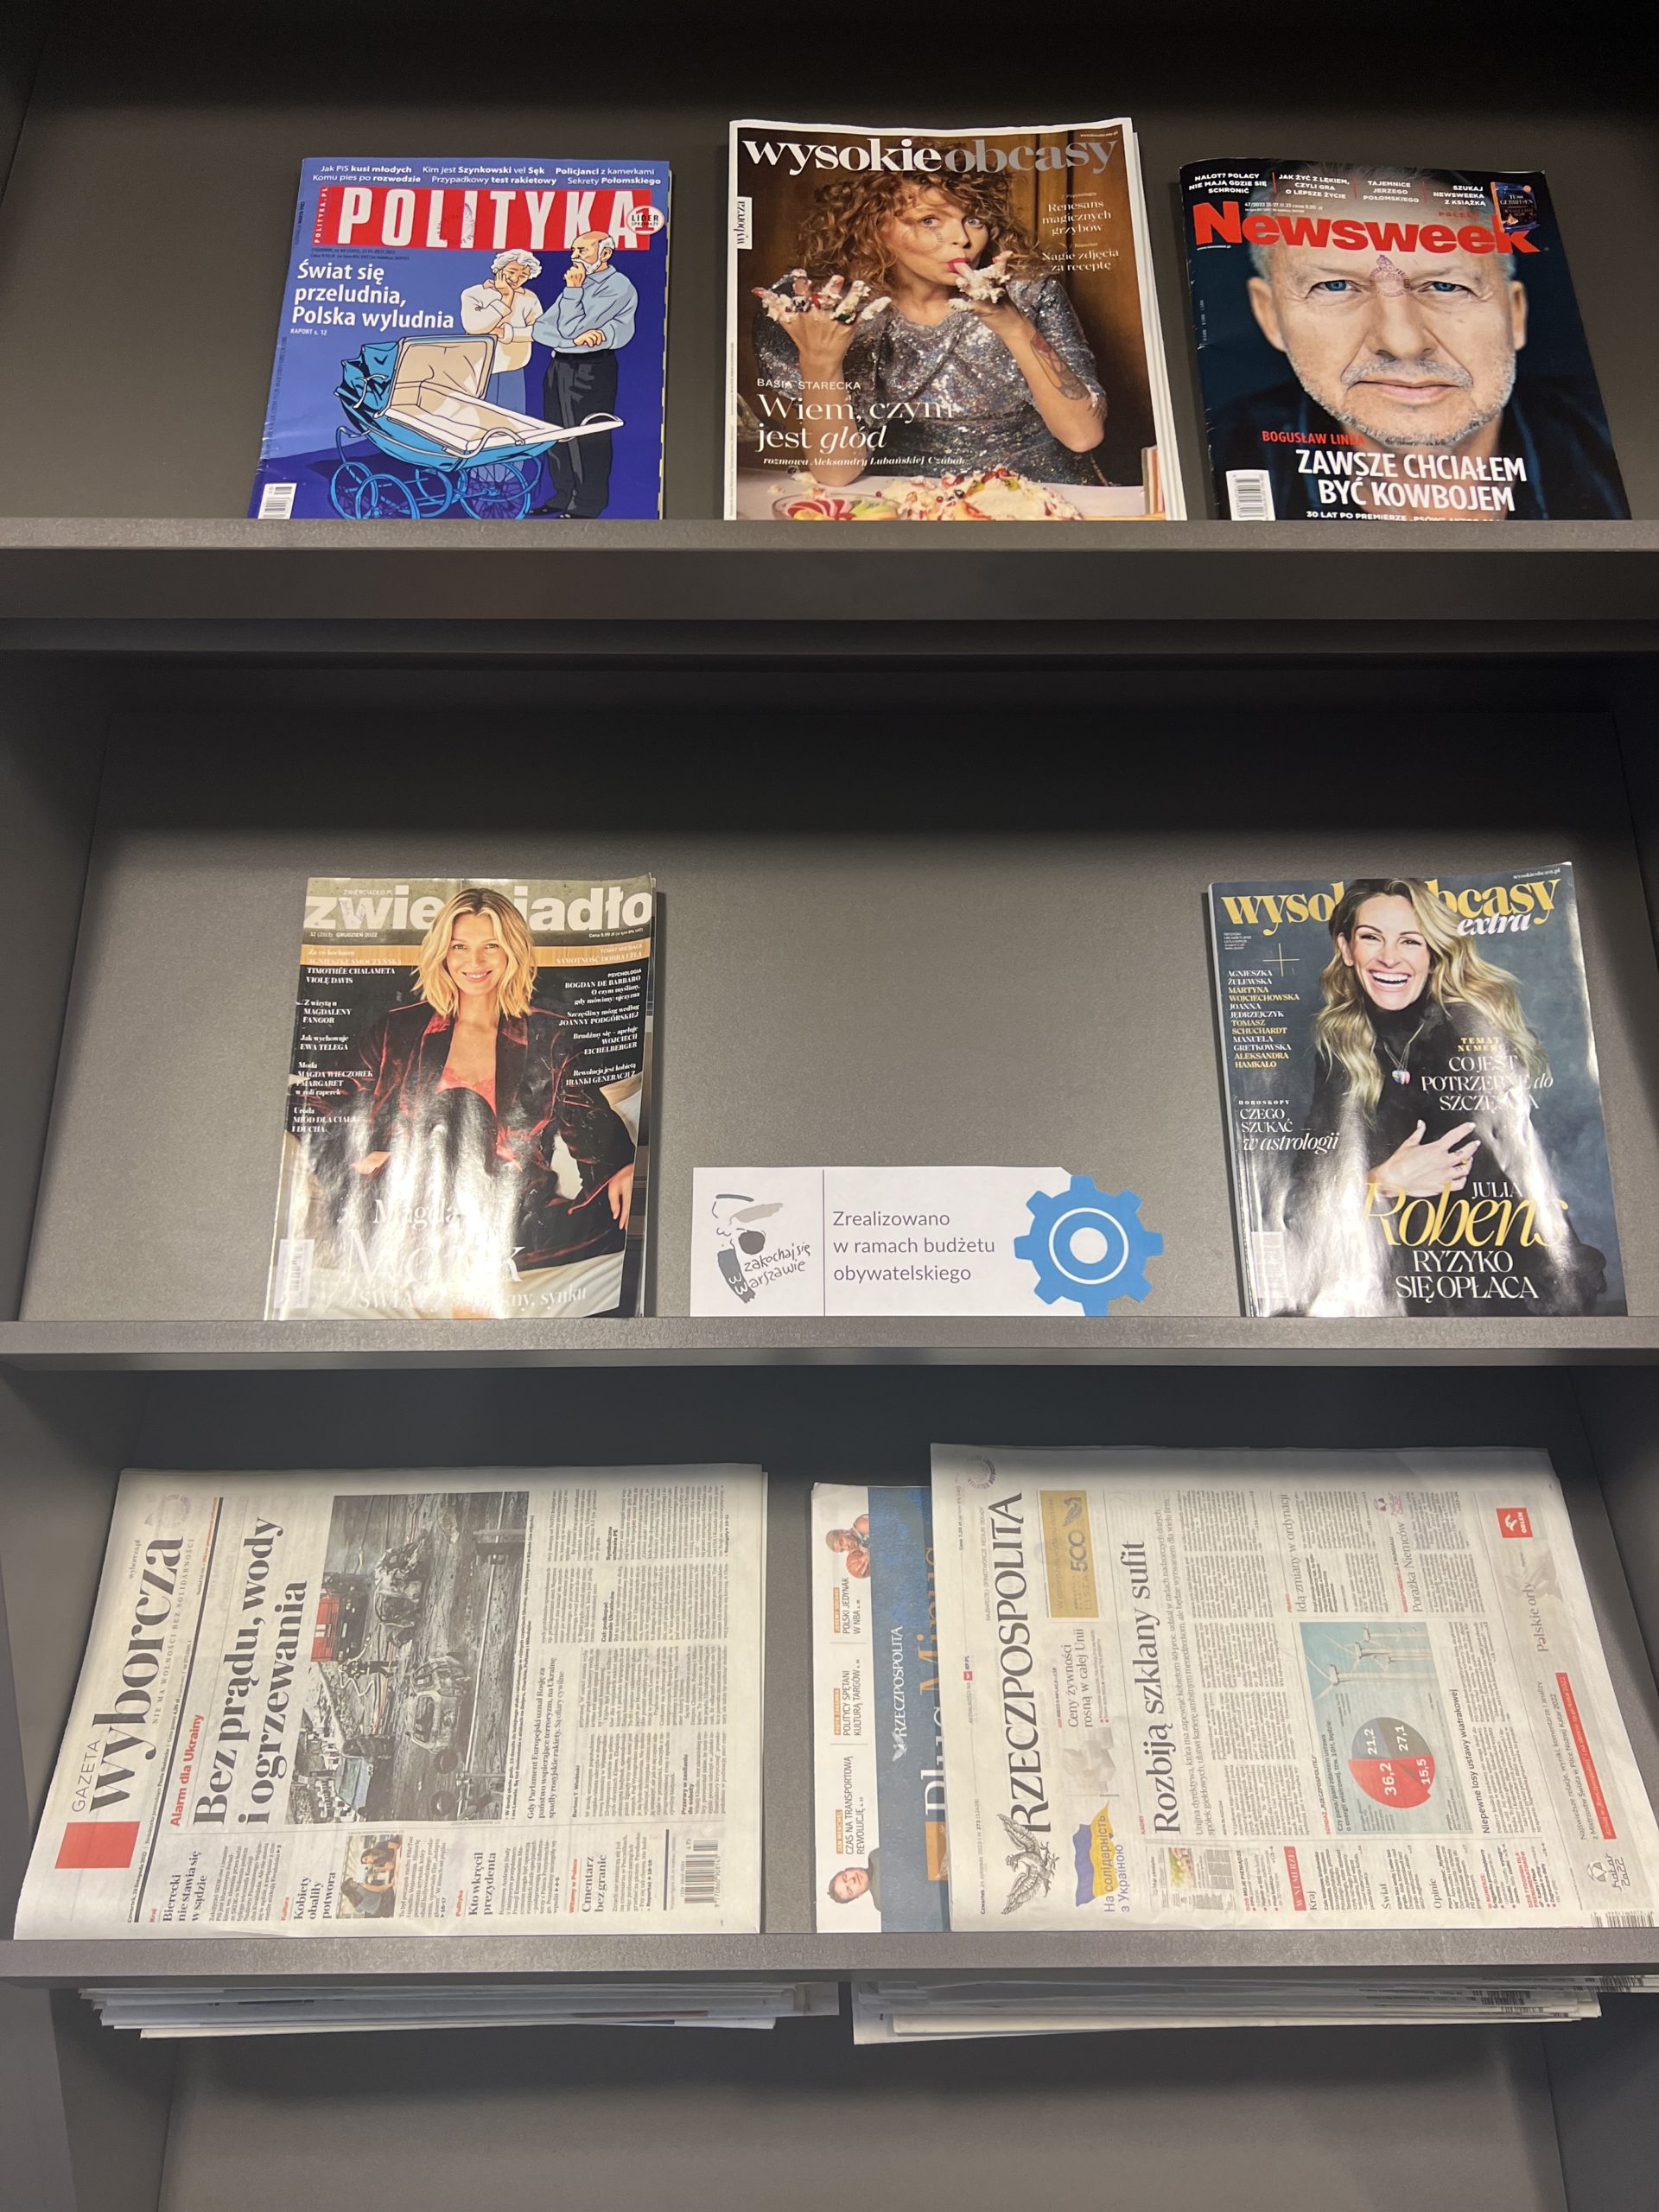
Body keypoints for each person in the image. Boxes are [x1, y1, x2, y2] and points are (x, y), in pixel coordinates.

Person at [1211, 164, 1626, 520]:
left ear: (1515, 314)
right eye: (1336, 286)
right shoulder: (1214, 454)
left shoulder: (1623, 445)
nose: (1403, 342)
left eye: (1446, 286)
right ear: (1271, 316)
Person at [1285, 878, 1606, 1315]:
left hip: (1487, 1284)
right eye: (1371, 937)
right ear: (1346, 948)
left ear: (1433, 953)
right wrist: (1381, 1182)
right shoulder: (1342, 1043)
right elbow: (1305, 1193)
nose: (1390, 957)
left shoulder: (1466, 1031)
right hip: (1380, 1284)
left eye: (1410, 941)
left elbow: (1513, 1175)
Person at [307, 887, 635, 1314]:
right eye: (460, 946)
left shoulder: (549, 1036)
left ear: (512, 951)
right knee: (454, 1115)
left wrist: (621, 1166)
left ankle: (469, 1295)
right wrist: (361, 1157)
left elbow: (588, 1121)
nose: (474, 962)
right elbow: (320, 1104)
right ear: (443, 952)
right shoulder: (397, 1030)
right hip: (404, 1210)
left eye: (491, 946)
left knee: (618, 1220)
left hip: (510, 1214)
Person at [753, 169, 1106, 487]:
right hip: (909, 500)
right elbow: (835, 474)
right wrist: (820, 363)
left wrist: (1013, 325)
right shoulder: (835, 314)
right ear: (874, 229)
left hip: (1039, 493)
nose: (962, 239)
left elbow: (1083, 436)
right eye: (930, 220)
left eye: (974, 220)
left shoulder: (1028, 292)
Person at [531, 229, 636, 517]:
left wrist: (573, 293)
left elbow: (569, 328)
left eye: (582, 250)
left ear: (605, 253)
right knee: (557, 434)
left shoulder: (617, 286)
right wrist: (570, 340)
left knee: (587, 436)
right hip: (559, 367)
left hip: (591, 369)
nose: (574, 256)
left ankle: (588, 504)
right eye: (573, 250)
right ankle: (563, 496)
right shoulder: (579, 284)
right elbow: (541, 329)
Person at [459, 251, 544, 414]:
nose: (515, 279)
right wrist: (506, 298)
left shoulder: (530, 298)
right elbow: (474, 327)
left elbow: (539, 331)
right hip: (479, 371)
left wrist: (508, 333)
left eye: (523, 276)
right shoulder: (473, 294)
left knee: (513, 418)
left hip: (514, 370)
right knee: (478, 419)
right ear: (499, 269)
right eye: (511, 272)